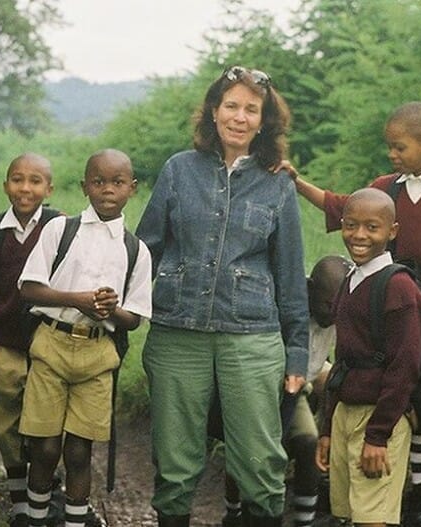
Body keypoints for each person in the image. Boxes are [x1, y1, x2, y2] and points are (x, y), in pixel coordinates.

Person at [289, 101, 421, 525]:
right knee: (419, 398)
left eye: (399, 147)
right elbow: (343, 207)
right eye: (389, 147)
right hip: (409, 307)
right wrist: (299, 183)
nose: (392, 154)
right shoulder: (387, 189)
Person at [136, 66, 309, 527]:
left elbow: (290, 275)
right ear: (214, 112)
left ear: (264, 121)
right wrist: (121, 318)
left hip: (252, 339)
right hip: (177, 334)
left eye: (251, 109)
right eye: (231, 105)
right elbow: (145, 251)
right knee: (174, 462)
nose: (239, 116)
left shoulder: (278, 183)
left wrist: (297, 355)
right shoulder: (178, 170)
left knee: (259, 462)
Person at [17, 149, 152, 527]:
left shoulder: (135, 250)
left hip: (97, 355)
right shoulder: (61, 230)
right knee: (44, 448)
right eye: (99, 181)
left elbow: (134, 318)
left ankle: (75, 521)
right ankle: (36, 518)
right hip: (51, 346)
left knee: (79, 451)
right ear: (84, 187)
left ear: (132, 188)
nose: (108, 190)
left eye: (118, 182)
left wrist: (110, 310)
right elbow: (29, 288)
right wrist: (75, 300)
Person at [316, 188, 421, 527]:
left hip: (380, 417)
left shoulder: (398, 288)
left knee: (372, 517)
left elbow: (404, 368)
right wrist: (327, 428)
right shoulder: (351, 280)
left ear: (392, 231)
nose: (359, 235)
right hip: (345, 415)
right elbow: (342, 362)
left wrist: (378, 435)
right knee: (349, 512)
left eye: (371, 227)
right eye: (351, 225)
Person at [210, 255, 350, 527]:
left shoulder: (334, 319)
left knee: (308, 440)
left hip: (295, 390)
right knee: (247, 448)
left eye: (338, 307)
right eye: (327, 304)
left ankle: (304, 520)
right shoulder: (284, 311)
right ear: (309, 289)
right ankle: (234, 512)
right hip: (260, 387)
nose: (332, 313)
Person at [0, 153, 60, 527]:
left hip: (50, 344)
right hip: (5, 342)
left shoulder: (63, 228)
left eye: (35, 181)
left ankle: (47, 495)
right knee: (6, 423)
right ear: (6, 184)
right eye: (17, 180)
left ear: (49, 187)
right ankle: (19, 502)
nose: (25, 188)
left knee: (46, 423)